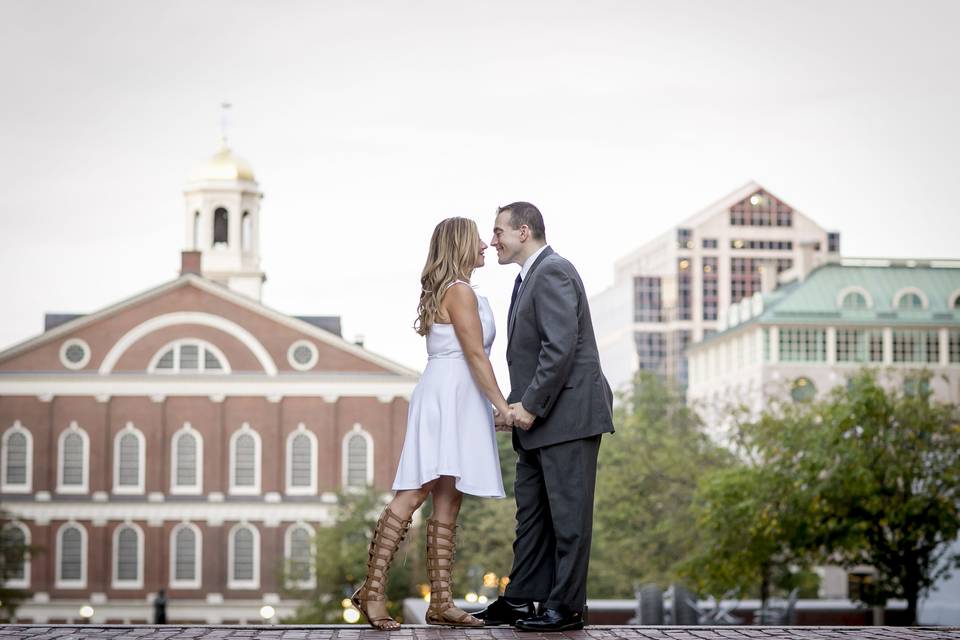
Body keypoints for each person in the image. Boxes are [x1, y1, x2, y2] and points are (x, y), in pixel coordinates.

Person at [351, 216, 510, 630]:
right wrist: (503, 406)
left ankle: (441, 601)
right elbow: (475, 355)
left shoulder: (461, 291)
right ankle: (372, 590)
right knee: (416, 489)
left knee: (450, 494)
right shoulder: (458, 292)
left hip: (458, 395)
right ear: (460, 243)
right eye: (477, 237)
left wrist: (486, 403)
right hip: (447, 395)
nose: (484, 244)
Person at [476, 202, 615, 632]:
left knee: (569, 519)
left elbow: (560, 348)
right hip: (540, 421)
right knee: (531, 515)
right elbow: (535, 355)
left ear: (523, 231)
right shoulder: (527, 277)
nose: (492, 241)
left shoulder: (553, 270)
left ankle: (568, 607)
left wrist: (530, 406)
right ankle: (521, 599)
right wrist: (514, 409)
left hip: (567, 418)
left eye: (498, 232)